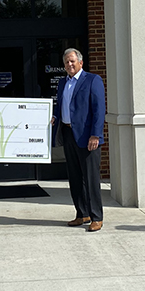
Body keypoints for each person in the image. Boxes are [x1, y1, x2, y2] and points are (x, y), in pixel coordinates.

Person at [52, 48, 106, 231]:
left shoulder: (92, 80)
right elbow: (61, 106)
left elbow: (99, 111)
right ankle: (82, 214)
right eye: (66, 62)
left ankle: (96, 217)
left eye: (73, 61)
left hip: (87, 137)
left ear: (81, 63)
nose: (69, 64)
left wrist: (95, 135)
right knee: (75, 178)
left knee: (90, 179)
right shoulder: (62, 83)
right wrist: (55, 117)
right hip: (68, 135)